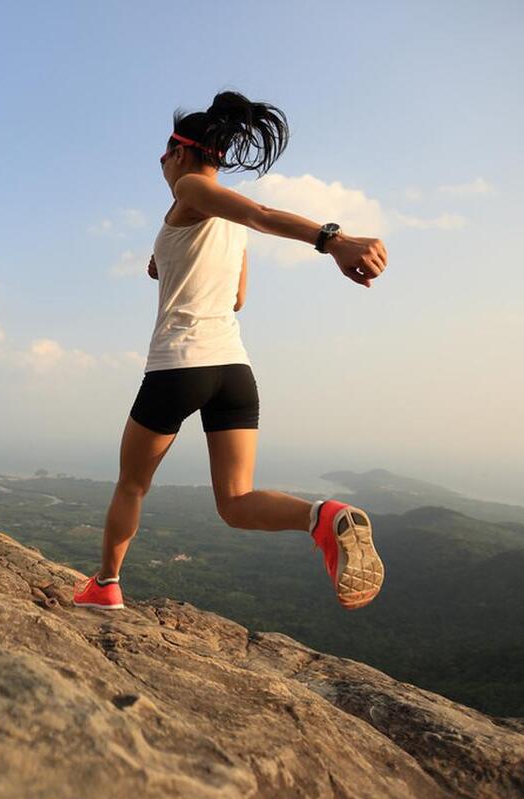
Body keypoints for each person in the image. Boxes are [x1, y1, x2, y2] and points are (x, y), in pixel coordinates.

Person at [73, 90, 387, 613]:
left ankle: (105, 585)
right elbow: (237, 297)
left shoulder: (192, 189)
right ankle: (323, 516)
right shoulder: (225, 223)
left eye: (163, 154)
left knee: (131, 484)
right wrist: (167, 264)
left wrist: (333, 239)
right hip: (234, 371)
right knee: (236, 503)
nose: (160, 164)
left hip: (178, 366)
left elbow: (262, 213)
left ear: (181, 152)